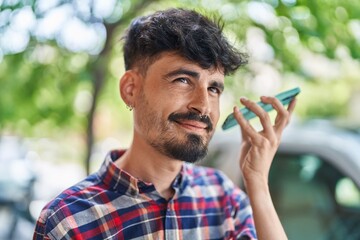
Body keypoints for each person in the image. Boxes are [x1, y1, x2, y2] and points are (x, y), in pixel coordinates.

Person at [33, 8, 296, 240]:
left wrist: (258, 182)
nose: (203, 105)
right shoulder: (68, 222)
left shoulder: (224, 199)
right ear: (131, 89)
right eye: (183, 80)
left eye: (214, 88)